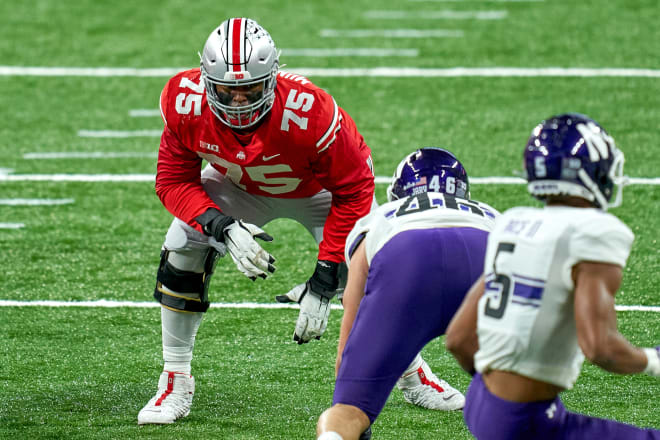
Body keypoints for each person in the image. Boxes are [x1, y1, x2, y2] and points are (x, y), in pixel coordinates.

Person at [137, 17, 376, 425]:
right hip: (238, 186)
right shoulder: (185, 101)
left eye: (250, 90)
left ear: (273, 78)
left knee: (373, 259)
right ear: (206, 81)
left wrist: (326, 274)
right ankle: (175, 377)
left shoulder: (311, 110)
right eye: (227, 92)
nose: (239, 103)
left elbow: (354, 190)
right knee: (182, 242)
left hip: (314, 191)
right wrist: (220, 225)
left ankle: (411, 373)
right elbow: (173, 180)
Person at [445, 113, 660, 439]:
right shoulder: (593, 232)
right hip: (525, 420)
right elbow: (600, 346)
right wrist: (653, 360)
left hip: (482, 402)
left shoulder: (511, 223)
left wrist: (500, 395)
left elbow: (458, 338)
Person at [316, 147, 500, 440]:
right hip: (482, 250)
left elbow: (352, 322)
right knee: (520, 399)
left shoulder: (381, 217)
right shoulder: (490, 214)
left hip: (405, 256)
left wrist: (349, 396)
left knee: (348, 411)